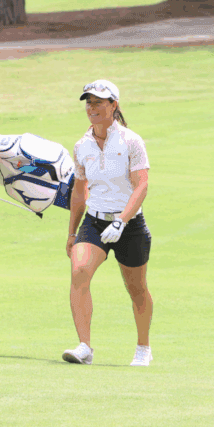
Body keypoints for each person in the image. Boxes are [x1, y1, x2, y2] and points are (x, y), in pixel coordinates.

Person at [63, 80, 154, 367]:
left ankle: (143, 347)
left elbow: (141, 186)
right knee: (79, 271)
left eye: (99, 102)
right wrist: (72, 232)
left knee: (136, 288)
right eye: (88, 103)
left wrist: (122, 221)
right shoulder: (82, 146)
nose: (92, 108)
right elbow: (80, 192)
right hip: (95, 222)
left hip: (130, 225)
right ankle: (84, 347)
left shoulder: (131, 141)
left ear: (114, 105)